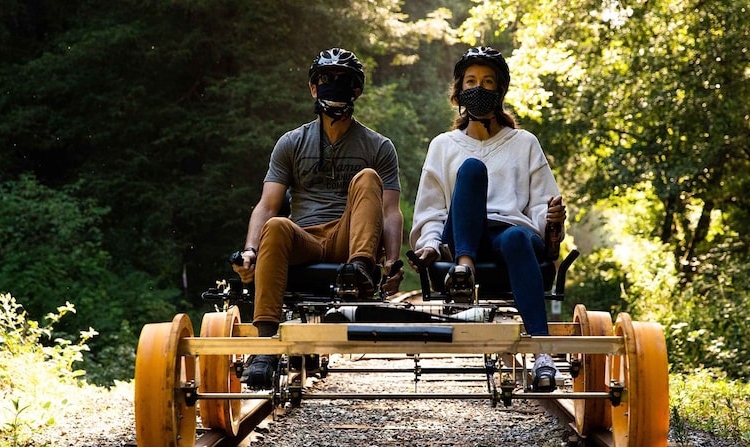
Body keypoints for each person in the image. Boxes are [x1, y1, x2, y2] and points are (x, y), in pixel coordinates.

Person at [233, 47, 404, 389]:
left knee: (368, 177)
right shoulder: (291, 143)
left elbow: (390, 210)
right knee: (277, 224)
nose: (333, 86)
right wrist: (250, 250)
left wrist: (393, 263)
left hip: (350, 241)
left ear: (356, 90)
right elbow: (267, 205)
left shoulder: (379, 146)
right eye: (326, 80)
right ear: (314, 88)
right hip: (304, 238)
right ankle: (266, 346)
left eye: (343, 81)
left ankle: (359, 270)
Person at [408, 46, 567, 392]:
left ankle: (542, 354)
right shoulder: (443, 145)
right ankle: (464, 268)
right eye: (471, 81)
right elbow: (432, 210)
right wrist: (431, 245)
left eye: (488, 82)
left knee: (516, 237)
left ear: (500, 91)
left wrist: (551, 218)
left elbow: (540, 205)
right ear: (459, 92)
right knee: (472, 169)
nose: (479, 88)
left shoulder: (524, 143)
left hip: (510, 235)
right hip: (463, 235)